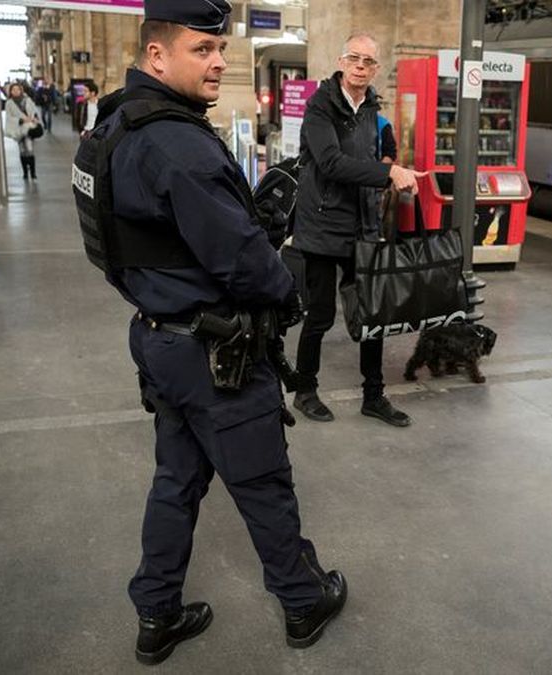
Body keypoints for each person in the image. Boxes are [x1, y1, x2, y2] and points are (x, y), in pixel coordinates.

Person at [85, 0, 346, 663]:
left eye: (220, 49)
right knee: (262, 483)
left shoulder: (116, 123)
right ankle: (303, 601)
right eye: (202, 49)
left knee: (175, 480)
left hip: (158, 336)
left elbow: (144, 239)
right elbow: (247, 265)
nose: (218, 61)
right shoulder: (178, 143)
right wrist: (286, 291)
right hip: (214, 354)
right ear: (157, 54)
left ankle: (156, 613)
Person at [290, 32, 426, 427]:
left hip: (364, 226)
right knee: (319, 316)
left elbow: (369, 161)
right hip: (321, 225)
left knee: (372, 316)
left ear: (376, 68)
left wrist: (392, 181)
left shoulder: (371, 109)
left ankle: (373, 395)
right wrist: (389, 171)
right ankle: (305, 390)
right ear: (341, 60)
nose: (361, 66)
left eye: (369, 61)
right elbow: (331, 163)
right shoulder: (320, 106)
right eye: (355, 58)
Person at [4, 82, 41, 180]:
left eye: (17, 89)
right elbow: (9, 117)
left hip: (29, 128)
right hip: (18, 129)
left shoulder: (27, 100)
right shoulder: (9, 103)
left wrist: (34, 118)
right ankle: (25, 172)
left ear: (21, 90)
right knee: (22, 151)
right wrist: (21, 120)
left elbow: (34, 111)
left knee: (30, 149)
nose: (16, 91)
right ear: (10, 92)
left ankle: (33, 172)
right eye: (13, 90)